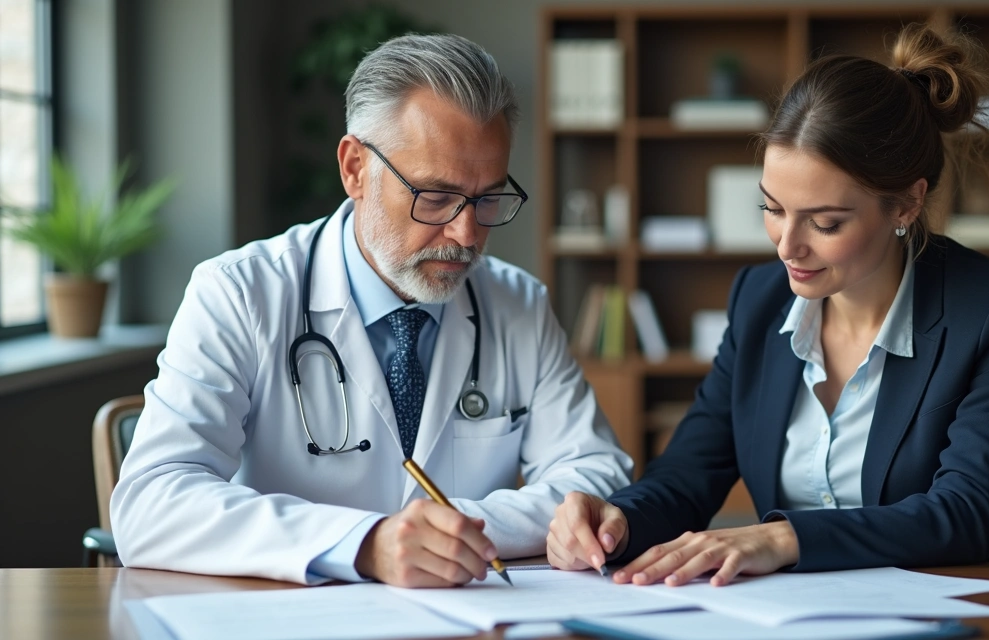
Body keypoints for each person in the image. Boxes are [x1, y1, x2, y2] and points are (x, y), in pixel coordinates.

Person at [111, 34, 632, 588]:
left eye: (488, 198)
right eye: (434, 196)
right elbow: (153, 501)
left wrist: (448, 536)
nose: (467, 232)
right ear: (355, 168)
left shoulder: (518, 303)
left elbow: (596, 474)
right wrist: (364, 544)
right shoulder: (239, 294)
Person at [547, 23, 989, 586]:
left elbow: (965, 515)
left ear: (907, 203)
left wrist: (783, 537)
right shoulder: (759, 301)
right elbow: (690, 472)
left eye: (826, 222)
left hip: (966, 607)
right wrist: (618, 520)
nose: (787, 246)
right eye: (773, 208)